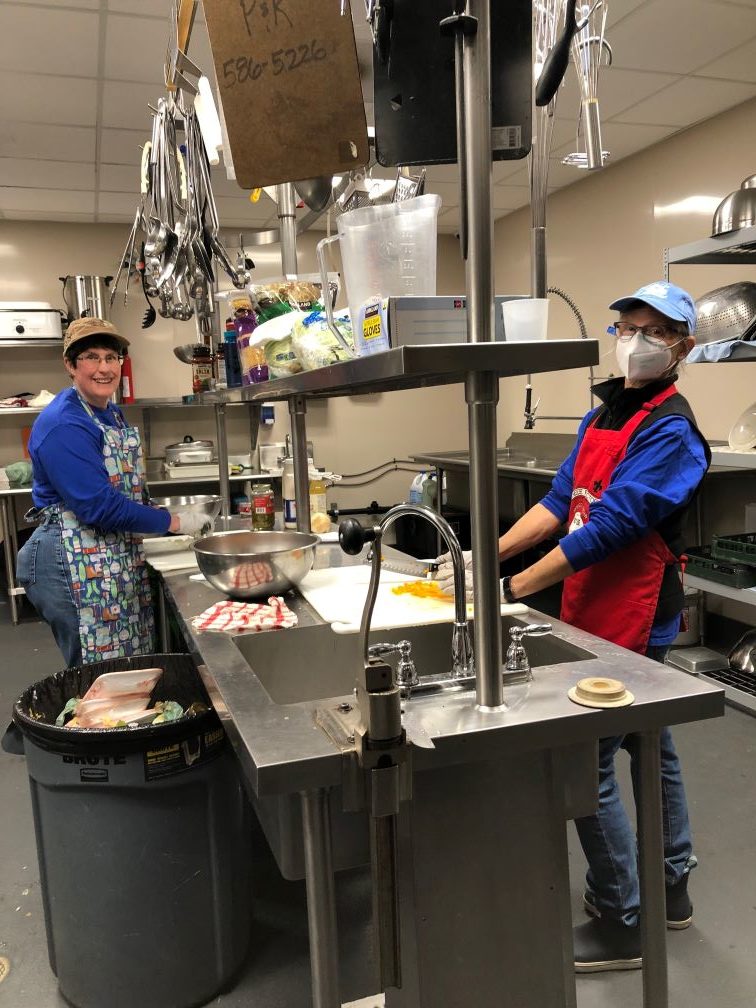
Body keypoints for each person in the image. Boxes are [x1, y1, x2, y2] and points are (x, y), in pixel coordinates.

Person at [435, 280, 710, 972]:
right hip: (594, 602)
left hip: (637, 609)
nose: (636, 341)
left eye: (654, 331)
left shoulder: (673, 432)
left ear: (683, 347)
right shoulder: (603, 414)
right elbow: (562, 501)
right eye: (628, 327)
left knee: (588, 757)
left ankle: (623, 919)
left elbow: (612, 526)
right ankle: (672, 885)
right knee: (651, 742)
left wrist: (511, 589)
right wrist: (481, 557)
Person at [16, 318, 211, 668]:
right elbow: (98, 506)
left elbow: (123, 487)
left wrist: (153, 513)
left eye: (111, 357)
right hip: (67, 560)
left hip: (105, 553)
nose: (104, 368)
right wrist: (174, 522)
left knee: (127, 664)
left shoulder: (110, 414)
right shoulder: (65, 422)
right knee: (99, 671)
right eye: (91, 357)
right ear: (70, 365)